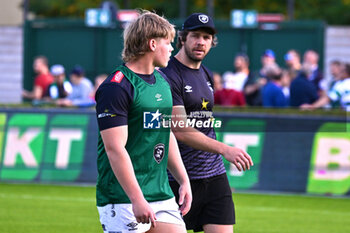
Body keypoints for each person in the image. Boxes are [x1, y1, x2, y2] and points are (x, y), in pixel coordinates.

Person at [95, 11, 191, 233]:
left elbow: (165, 133)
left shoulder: (163, 82)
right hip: (122, 197)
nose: (171, 48)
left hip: (160, 193)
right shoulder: (116, 87)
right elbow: (114, 149)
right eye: (168, 42)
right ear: (152, 43)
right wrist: (137, 199)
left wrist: (183, 180)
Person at [161, 13, 253, 233]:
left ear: (212, 42)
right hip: (177, 179)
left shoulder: (206, 74)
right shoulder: (168, 75)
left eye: (206, 37)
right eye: (195, 36)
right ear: (183, 38)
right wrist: (225, 149)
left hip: (214, 177)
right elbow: (180, 129)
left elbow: (204, 123)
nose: (201, 42)